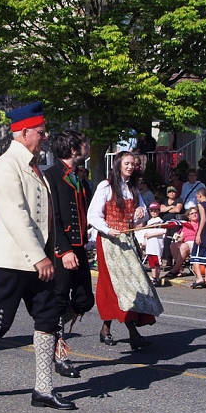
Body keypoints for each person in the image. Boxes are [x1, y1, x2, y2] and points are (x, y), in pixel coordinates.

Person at [0, 101, 76, 410]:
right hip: (13, 260)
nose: (45, 136)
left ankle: (44, 389)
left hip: (38, 259)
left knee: (48, 318)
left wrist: (52, 252)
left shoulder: (33, 164)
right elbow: (15, 215)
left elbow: (45, 216)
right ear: (24, 133)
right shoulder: (7, 166)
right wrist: (40, 257)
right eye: (40, 131)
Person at [87, 150, 163, 350]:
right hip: (109, 242)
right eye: (127, 163)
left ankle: (107, 329)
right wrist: (107, 229)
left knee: (132, 285)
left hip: (127, 241)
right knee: (117, 285)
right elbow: (93, 216)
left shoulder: (132, 189)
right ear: (119, 164)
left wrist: (140, 213)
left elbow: (140, 217)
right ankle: (132, 333)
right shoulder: (106, 186)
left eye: (133, 164)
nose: (130, 167)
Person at [42, 130, 94, 380]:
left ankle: (55, 329)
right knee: (59, 299)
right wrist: (63, 250)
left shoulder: (78, 176)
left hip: (80, 246)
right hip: (62, 250)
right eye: (84, 144)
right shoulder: (51, 175)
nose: (88, 147)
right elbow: (53, 217)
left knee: (84, 300)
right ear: (74, 149)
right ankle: (59, 353)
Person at [191, 188, 206, 288]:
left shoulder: (201, 205)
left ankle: (199, 278)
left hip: (203, 234)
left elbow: (203, 219)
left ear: (200, 195)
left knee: (195, 257)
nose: (197, 198)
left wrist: (198, 234)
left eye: (197, 196)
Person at [166, 207, 199, 277]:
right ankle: (180, 267)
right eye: (192, 213)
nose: (194, 215)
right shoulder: (186, 225)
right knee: (173, 245)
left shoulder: (200, 224)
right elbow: (181, 236)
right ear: (189, 217)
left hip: (195, 243)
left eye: (196, 213)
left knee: (184, 246)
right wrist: (179, 238)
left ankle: (175, 268)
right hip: (186, 243)